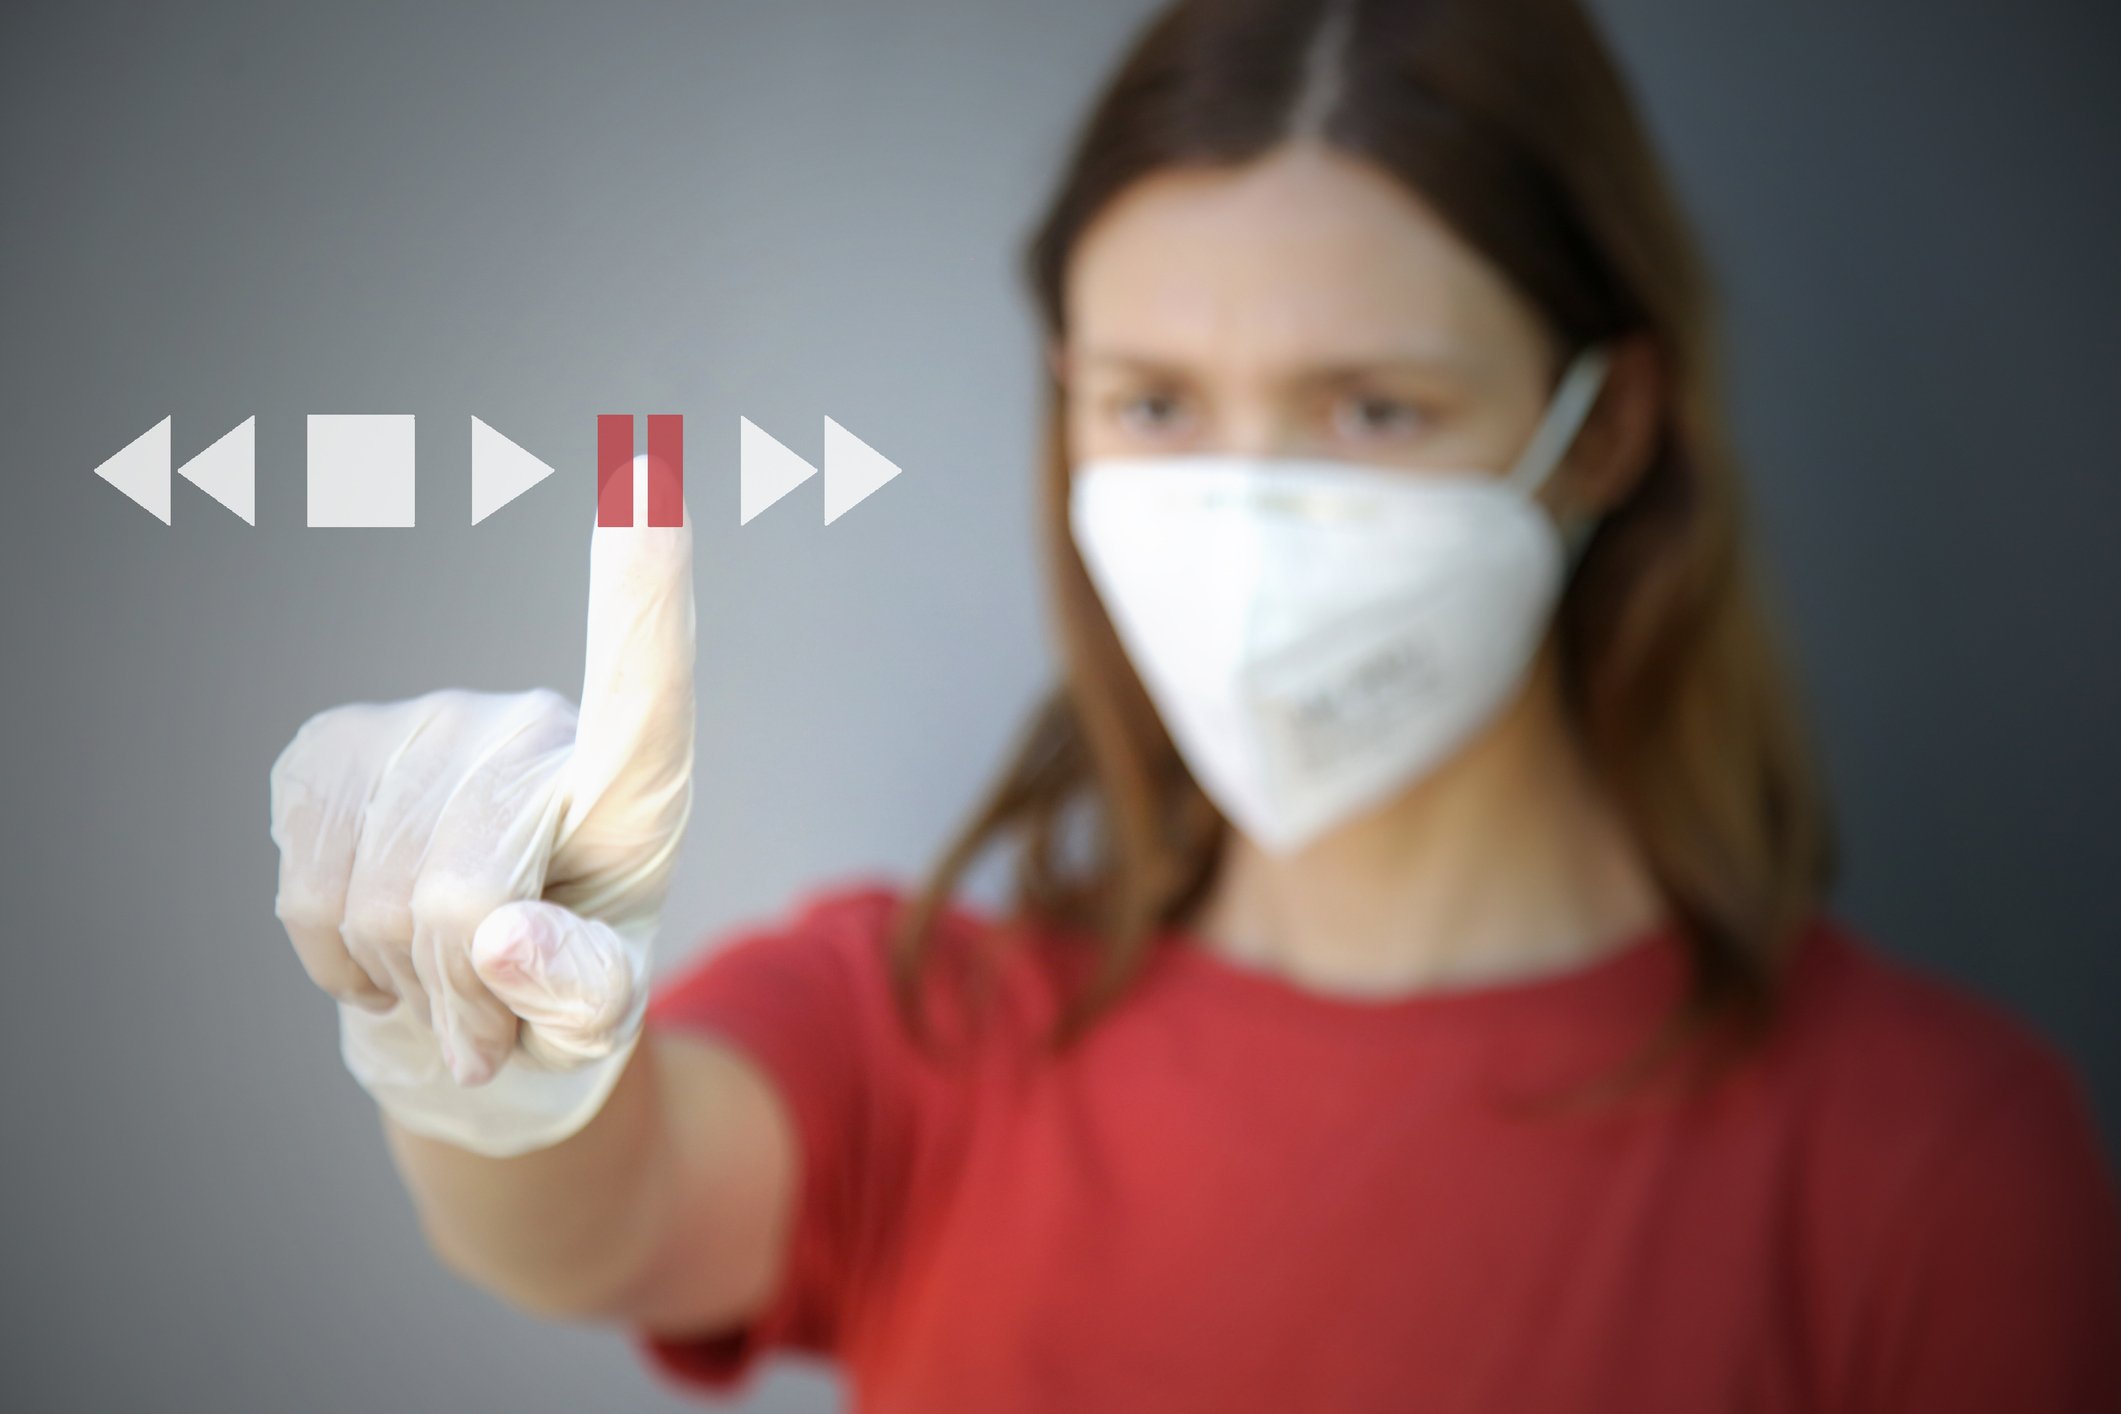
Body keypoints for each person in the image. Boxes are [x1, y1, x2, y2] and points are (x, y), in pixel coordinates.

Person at [265, 0, 2121, 1409]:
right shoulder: (918, 1032)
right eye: (1152, 403)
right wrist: (487, 1074)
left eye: (1370, 408)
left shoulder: (1929, 1162)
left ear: (1602, 428)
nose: (1240, 520)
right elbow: (613, 1208)